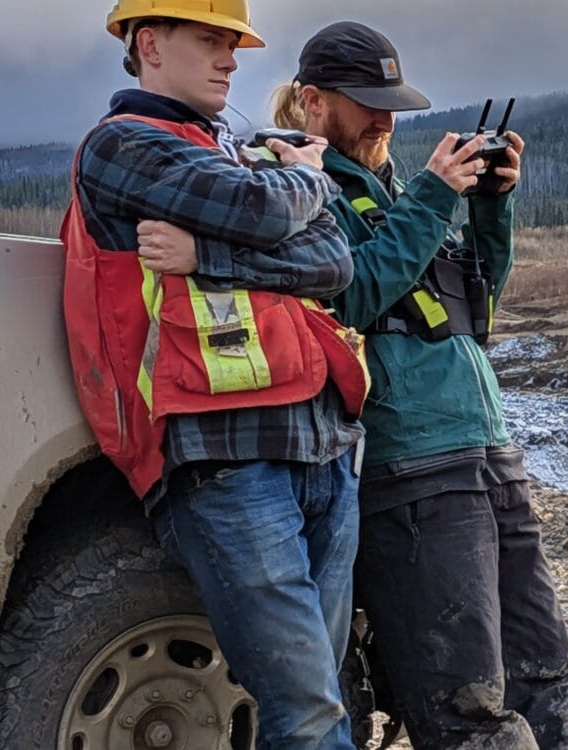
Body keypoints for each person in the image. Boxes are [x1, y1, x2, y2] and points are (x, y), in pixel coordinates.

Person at [59, 1, 368, 746]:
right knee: (309, 715)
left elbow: (335, 263)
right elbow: (260, 210)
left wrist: (208, 257)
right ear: (150, 43)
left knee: (315, 703)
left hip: (320, 443)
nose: (231, 59)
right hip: (225, 460)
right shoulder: (123, 147)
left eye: (233, 43)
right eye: (211, 40)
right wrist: (310, 181)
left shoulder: (227, 148)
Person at [271, 20, 568, 749]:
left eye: (393, 104)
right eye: (367, 102)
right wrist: (434, 200)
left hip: (486, 449)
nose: (386, 119)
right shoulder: (302, 192)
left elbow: (474, 312)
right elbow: (354, 298)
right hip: (410, 467)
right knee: (467, 702)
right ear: (314, 101)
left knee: (548, 677)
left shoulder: (402, 190)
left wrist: (488, 208)